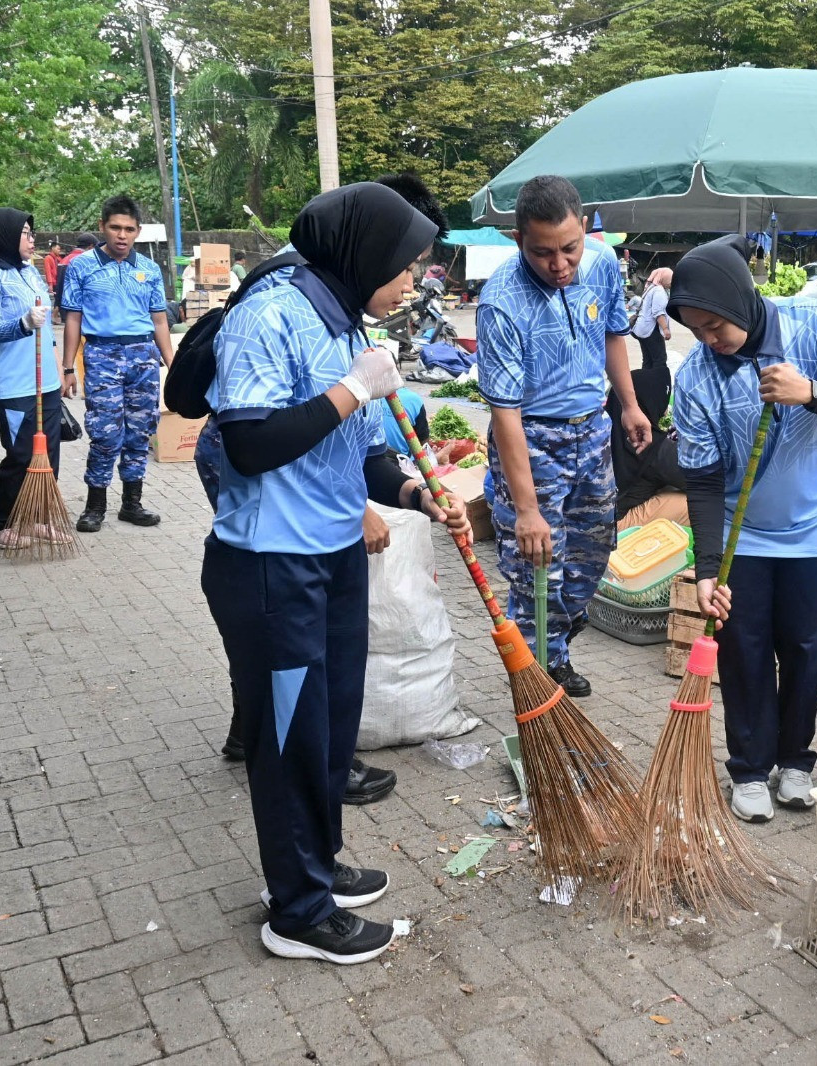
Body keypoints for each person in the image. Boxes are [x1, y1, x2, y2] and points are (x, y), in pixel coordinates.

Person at [204, 182, 468, 964]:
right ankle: (298, 914)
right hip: (270, 569)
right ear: (365, 255)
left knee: (326, 734)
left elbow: (359, 454)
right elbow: (250, 443)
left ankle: (312, 869)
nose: (414, 280)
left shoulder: (345, 318)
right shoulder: (268, 317)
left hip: (332, 560)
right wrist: (354, 388)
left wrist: (416, 493)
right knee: (286, 742)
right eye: (407, 265)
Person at [669, 235, 817, 822]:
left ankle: (795, 762)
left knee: (808, 647)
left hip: (816, 524)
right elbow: (704, 483)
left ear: (741, 301)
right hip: (747, 536)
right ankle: (750, 769)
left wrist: (809, 393)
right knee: (745, 650)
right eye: (697, 331)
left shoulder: (810, 325)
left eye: (716, 326)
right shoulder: (695, 379)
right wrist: (708, 568)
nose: (710, 340)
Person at [476, 175, 651, 698]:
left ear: (585, 229)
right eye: (543, 252)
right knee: (536, 573)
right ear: (517, 240)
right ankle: (533, 687)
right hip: (531, 441)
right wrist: (526, 509)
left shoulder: (600, 265)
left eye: (569, 248)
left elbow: (613, 336)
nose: (559, 264)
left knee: (591, 558)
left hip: (592, 434)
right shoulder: (500, 302)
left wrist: (630, 406)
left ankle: (557, 650)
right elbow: (505, 412)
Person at [61, 195, 175, 533]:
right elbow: (73, 319)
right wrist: (68, 367)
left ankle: (132, 503)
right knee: (105, 432)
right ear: (102, 227)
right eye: (115, 228)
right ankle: (95, 505)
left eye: (129, 229)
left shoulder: (149, 269)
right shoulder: (81, 266)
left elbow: (159, 322)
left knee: (140, 431)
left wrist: (175, 365)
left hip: (143, 358)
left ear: (137, 231)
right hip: (102, 357)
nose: (122, 235)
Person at [0, 209, 70, 550]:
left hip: (47, 381)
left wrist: (61, 368)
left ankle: (36, 518)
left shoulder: (30, 272)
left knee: (49, 454)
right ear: (4, 237)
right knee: (21, 454)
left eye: (31, 232)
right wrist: (23, 323)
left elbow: (49, 332)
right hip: (12, 383)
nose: (31, 239)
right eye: (25, 233)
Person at [609, 366, 687, 529]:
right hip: (613, 526)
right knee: (700, 503)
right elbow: (702, 479)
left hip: (592, 513)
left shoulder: (606, 422)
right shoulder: (650, 444)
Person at [630, 268, 672, 372]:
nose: (671, 282)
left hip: (641, 329)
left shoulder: (650, 288)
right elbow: (658, 313)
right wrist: (666, 329)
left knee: (648, 360)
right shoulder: (659, 290)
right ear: (663, 278)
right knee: (660, 360)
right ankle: (659, 385)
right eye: (670, 279)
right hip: (651, 330)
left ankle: (647, 385)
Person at [54, 235, 96, 310]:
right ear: (91, 247)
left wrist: (56, 306)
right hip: (82, 308)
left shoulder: (63, 260)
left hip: (65, 307)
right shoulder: (87, 262)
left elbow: (59, 287)